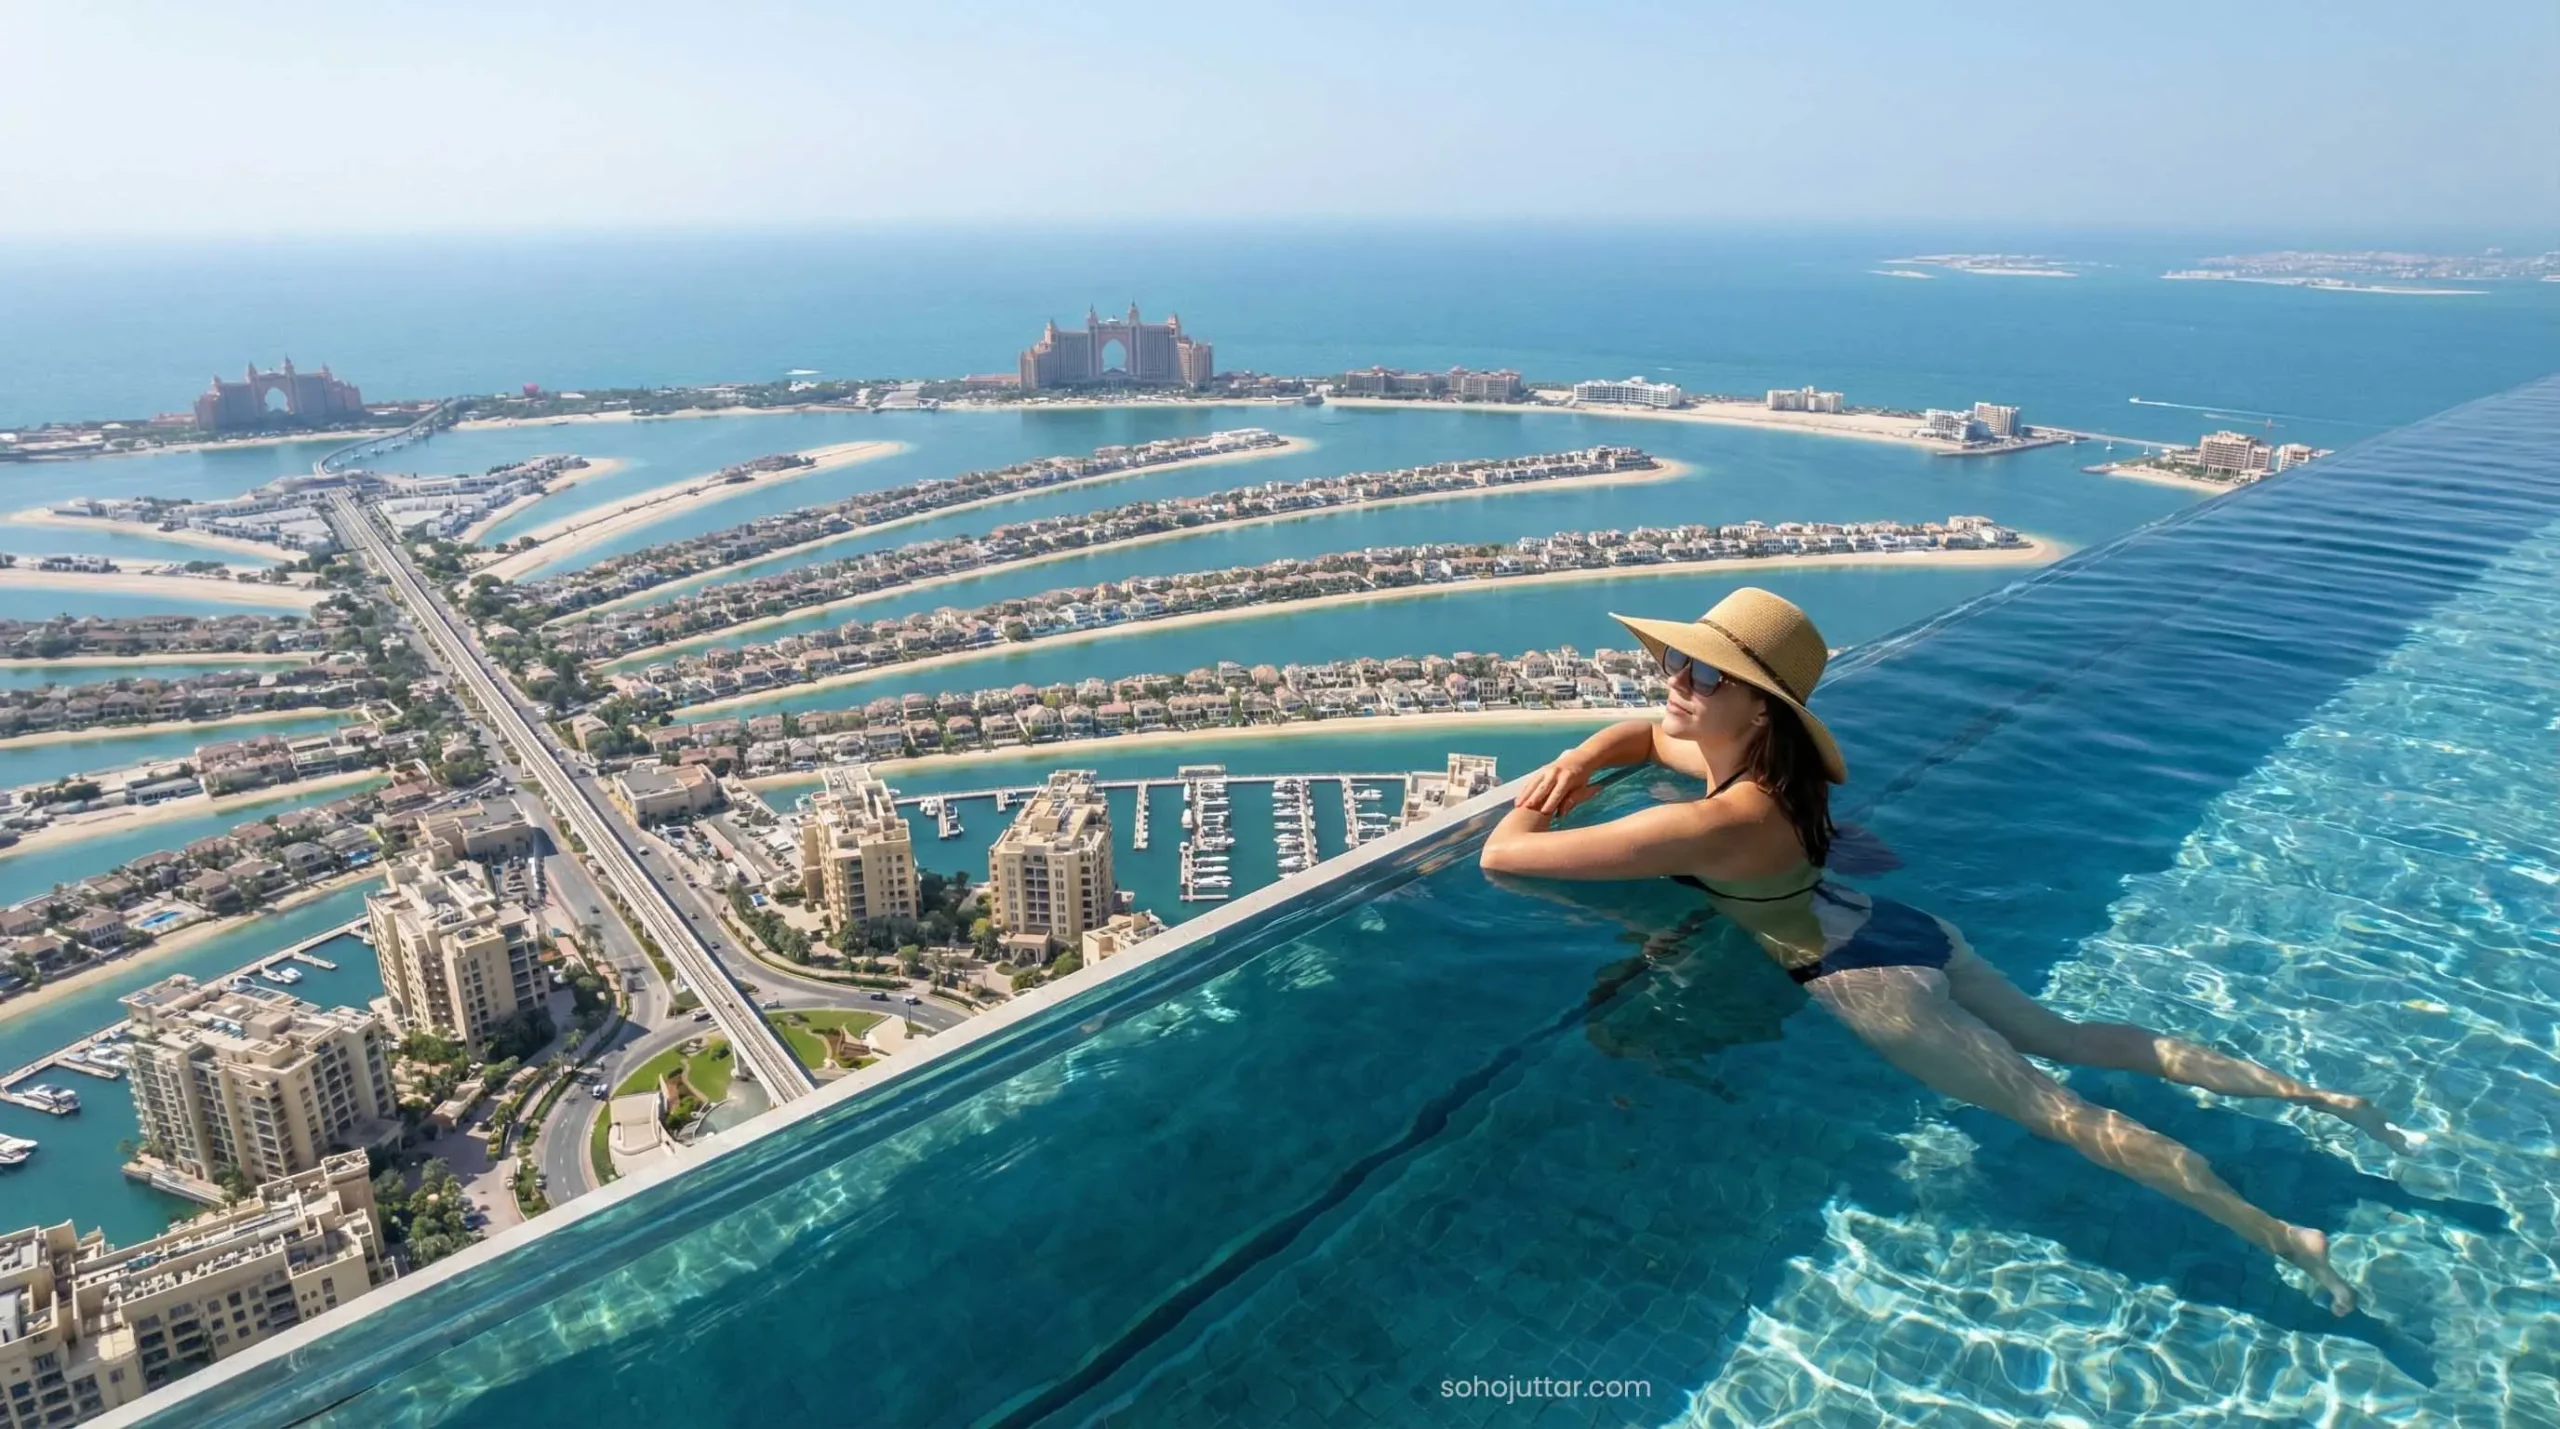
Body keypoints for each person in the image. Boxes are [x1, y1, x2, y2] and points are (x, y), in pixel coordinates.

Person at [1478, 587, 2414, 1315]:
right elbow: (1648, 733)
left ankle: (2284, 1235)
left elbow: (1502, 853)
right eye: (1679, 660)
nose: (1677, 680)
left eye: (1706, 675)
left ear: (1759, 708)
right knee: (2074, 1037)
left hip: (1868, 980)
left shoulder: (1708, 820)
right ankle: (2322, 1097)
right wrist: (1596, 746)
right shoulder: (1768, 773)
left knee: (2060, 1113)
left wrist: (1553, 781)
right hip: (1900, 923)